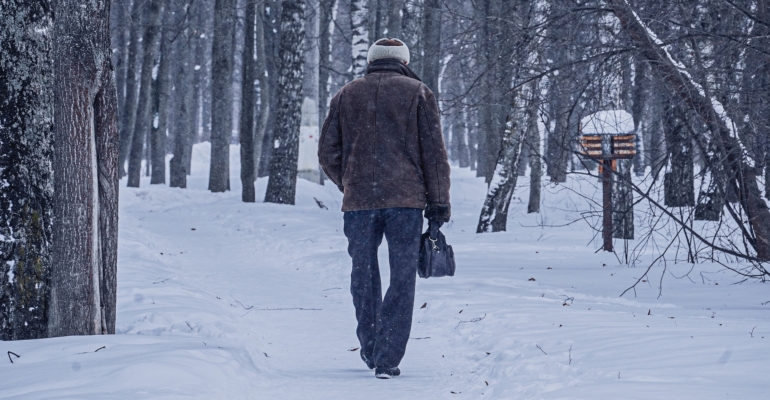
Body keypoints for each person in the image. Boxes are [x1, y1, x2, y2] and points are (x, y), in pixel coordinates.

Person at [318, 38, 451, 379]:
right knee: (403, 275)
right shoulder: (418, 92)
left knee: (363, 272)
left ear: (373, 61)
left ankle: (370, 344)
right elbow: (434, 155)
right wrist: (438, 203)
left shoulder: (347, 93)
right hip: (405, 202)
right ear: (403, 62)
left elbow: (327, 152)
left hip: (359, 201)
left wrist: (348, 182)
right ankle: (388, 357)